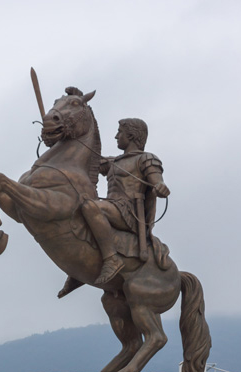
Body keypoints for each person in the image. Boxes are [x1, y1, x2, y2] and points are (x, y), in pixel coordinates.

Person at [58, 118, 170, 294]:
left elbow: (157, 181)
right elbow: (86, 158)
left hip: (130, 214)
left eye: (120, 132)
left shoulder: (147, 159)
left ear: (131, 135)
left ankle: (112, 259)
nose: (116, 136)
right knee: (77, 209)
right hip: (112, 208)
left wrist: (160, 186)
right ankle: (79, 270)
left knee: (91, 207)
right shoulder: (113, 162)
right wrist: (66, 135)